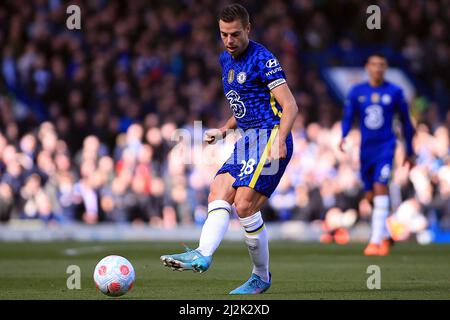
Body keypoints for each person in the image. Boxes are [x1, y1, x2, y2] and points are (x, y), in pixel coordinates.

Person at [160, 3, 298, 294]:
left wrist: (281, 140)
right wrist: (224, 130)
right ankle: (203, 254)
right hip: (246, 139)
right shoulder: (226, 60)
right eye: (224, 34)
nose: (229, 40)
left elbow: (290, 106)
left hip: (270, 136)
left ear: (248, 29)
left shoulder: (263, 59)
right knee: (218, 189)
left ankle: (261, 276)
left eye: (235, 34)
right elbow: (246, 104)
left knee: (244, 205)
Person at [339, 53, 415, 256]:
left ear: (386, 67)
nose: (378, 68)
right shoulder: (357, 92)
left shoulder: (395, 92)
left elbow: (406, 123)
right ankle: (388, 233)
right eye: (374, 64)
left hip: (386, 148)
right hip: (366, 150)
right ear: (367, 67)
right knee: (371, 196)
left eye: (382, 64)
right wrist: (344, 135)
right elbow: (348, 117)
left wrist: (410, 151)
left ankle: (375, 241)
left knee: (381, 188)